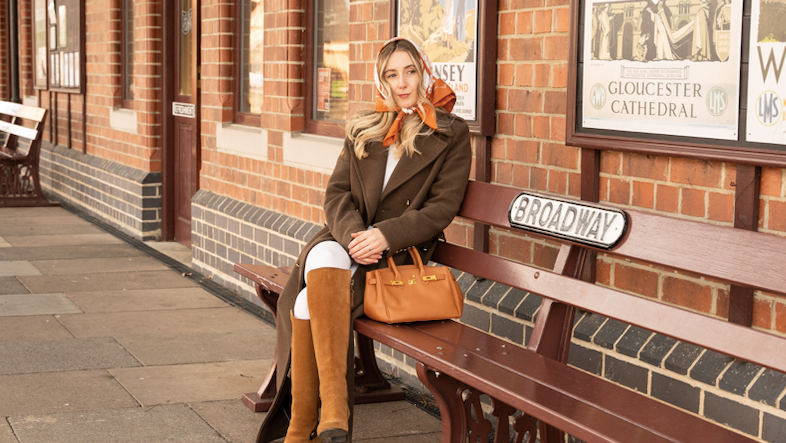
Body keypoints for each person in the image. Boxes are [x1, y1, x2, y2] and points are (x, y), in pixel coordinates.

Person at [255, 37, 472, 443]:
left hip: (398, 253)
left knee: (305, 300)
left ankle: (303, 429)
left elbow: (442, 208)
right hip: (349, 239)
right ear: (382, 79)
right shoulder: (363, 125)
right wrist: (358, 235)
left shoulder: (450, 133)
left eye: (410, 71)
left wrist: (385, 236)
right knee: (320, 255)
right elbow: (336, 193)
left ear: (424, 71)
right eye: (392, 74)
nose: (403, 82)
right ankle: (329, 413)